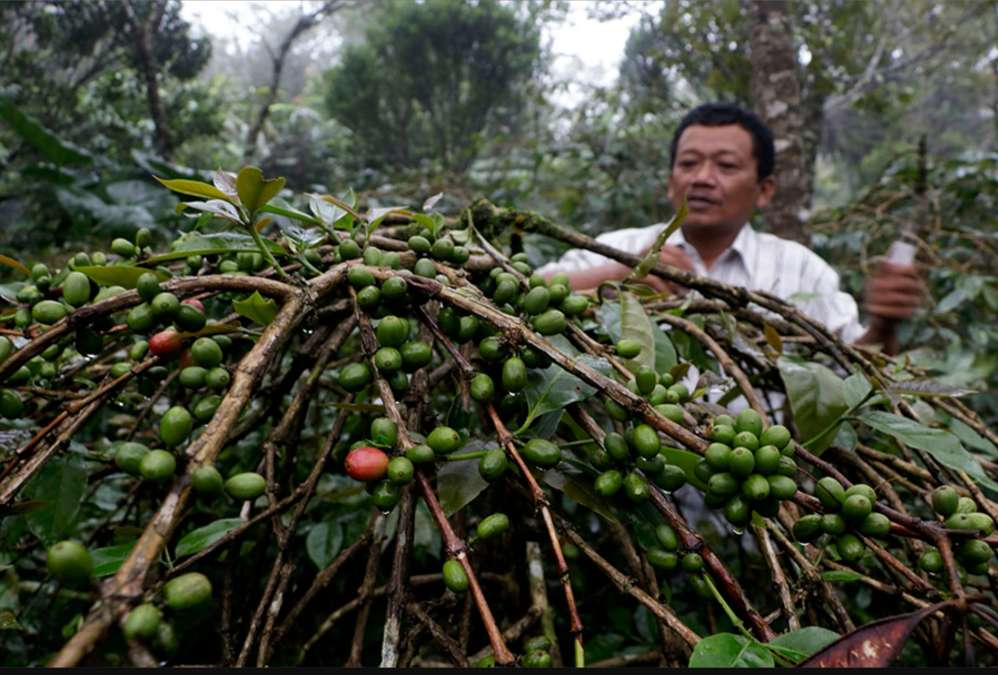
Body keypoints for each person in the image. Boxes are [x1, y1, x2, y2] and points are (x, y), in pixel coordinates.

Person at [537, 102, 925, 356]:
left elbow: (857, 366)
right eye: (689, 163)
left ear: (764, 190)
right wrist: (617, 275)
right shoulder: (617, 247)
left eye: (726, 166)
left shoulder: (802, 270)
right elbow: (528, 291)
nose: (703, 178)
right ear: (671, 182)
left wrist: (883, 325)